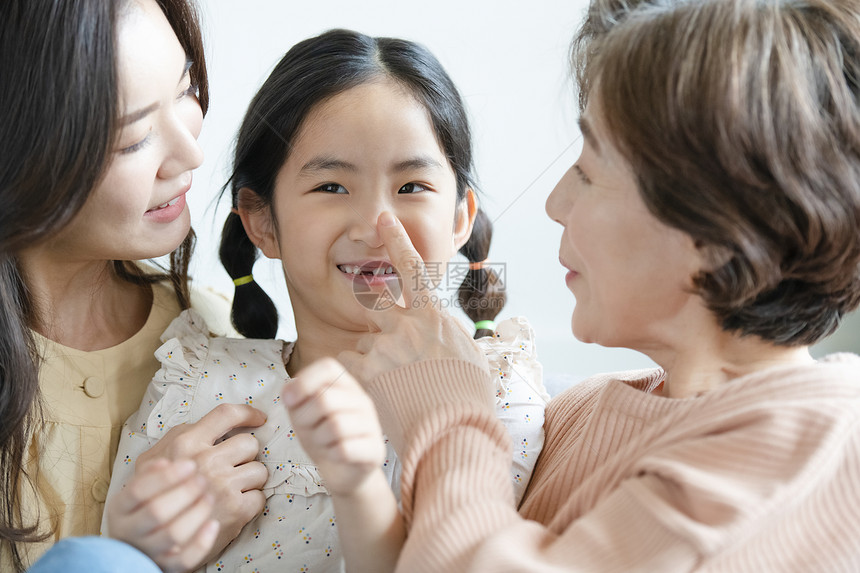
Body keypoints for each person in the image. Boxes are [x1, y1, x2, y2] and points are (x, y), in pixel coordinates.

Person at [283, 0, 860, 570]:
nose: (555, 202)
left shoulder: (813, 448)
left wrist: (449, 416)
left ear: (714, 226)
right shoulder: (579, 412)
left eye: (589, 170)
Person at [105, 29, 548, 573]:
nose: (373, 227)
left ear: (460, 217)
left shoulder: (498, 391)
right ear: (262, 222)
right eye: (332, 187)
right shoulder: (197, 383)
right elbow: (113, 552)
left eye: (412, 187)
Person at [0, 1, 268, 571]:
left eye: (187, 88)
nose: (192, 152)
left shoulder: (211, 338)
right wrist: (128, 556)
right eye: (133, 138)